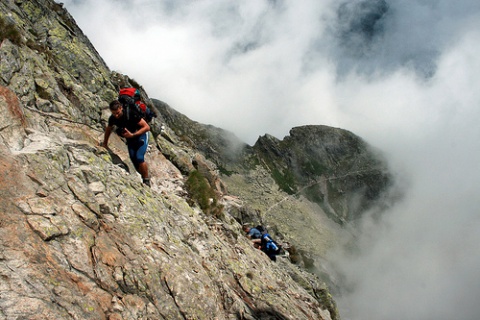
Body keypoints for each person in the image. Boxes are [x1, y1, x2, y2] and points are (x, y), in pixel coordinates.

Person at [101, 100, 151, 186]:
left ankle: (146, 181)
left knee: (139, 157)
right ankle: (143, 174)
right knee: (133, 159)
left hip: (141, 135)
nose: (116, 115)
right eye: (114, 113)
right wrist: (105, 143)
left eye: (118, 113)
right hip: (130, 138)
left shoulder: (131, 114)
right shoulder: (112, 118)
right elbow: (108, 129)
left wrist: (133, 135)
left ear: (121, 108)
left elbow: (146, 127)